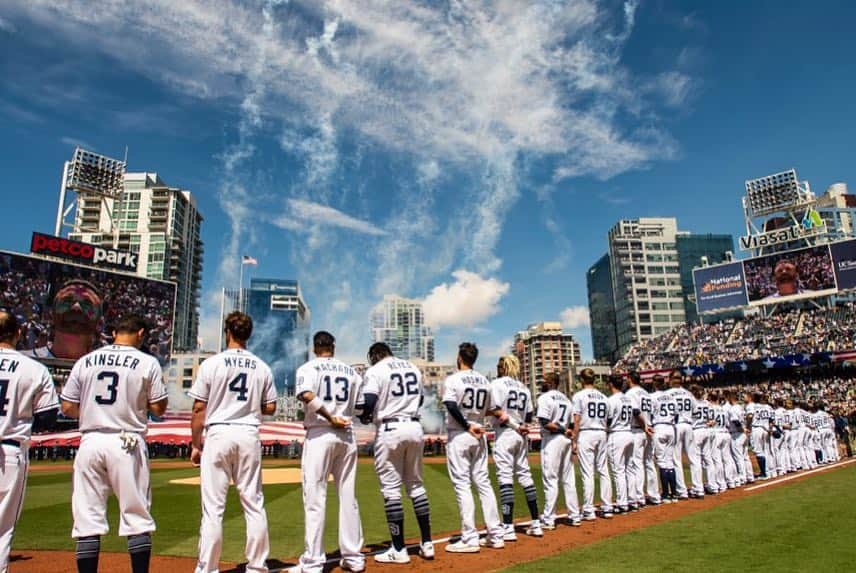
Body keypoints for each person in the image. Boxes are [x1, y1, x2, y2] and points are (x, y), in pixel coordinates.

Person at [60, 314, 168, 573]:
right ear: (141, 333)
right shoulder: (147, 362)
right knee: (137, 517)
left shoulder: (86, 361)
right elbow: (159, 408)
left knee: (87, 519)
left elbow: (67, 406)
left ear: (114, 332)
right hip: (126, 440)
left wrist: (92, 413)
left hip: (91, 439)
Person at [189, 312, 277, 573]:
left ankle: (208, 568)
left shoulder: (212, 364)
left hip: (218, 433)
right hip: (248, 433)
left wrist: (196, 444)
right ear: (248, 334)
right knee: (253, 503)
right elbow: (270, 406)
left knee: (213, 508)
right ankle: (258, 566)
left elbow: (197, 409)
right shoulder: (261, 366)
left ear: (227, 331)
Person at [290, 331, 364, 573]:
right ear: (333, 346)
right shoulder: (351, 372)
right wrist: (340, 414)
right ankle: (353, 557)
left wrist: (330, 416)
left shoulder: (308, 367)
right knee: (348, 496)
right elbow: (361, 407)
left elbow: (307, 395)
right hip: (347, 435)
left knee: (315, 498)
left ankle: (313, 562)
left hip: (321, 432)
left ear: (315, 348)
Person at [358, 342, 434, 564]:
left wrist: (363, 416)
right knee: (416, 486)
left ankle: (398, 549)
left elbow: (369, 402)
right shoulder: (412, 367)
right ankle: (427, 543)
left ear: (374, 355)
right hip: (414, 426)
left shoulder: (376, 370)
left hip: (390, 429)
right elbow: (420, 399)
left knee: (391, 489)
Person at [0, 311, 59, 572]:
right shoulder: (34, 368)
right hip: (9, 449)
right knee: (2, 530)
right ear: (19, 333)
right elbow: (47, 418)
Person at [442, 342, 504, 553]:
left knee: (462, 485)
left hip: (461, 433)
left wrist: (467, 424)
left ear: (460, 357)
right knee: (484, 484)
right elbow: (491, 409)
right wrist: (474, 420)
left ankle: (469, 537)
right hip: (479, 433)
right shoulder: (485, 381)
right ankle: (495, 534)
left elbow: (451, 405)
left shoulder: (453, 379)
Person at [488, 355, 541, 539]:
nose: (497, 368)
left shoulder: (498, 384)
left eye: (498, 365)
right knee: (525, 476)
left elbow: (494, 409)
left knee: (505, 478)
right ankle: (536, 523)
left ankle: (508, 526)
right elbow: (529, 415)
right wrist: (519, 425)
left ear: (504, 367)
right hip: (520, 433)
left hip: (506, 433)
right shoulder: (524, 388)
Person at [536, 372, 580, 529]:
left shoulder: (545, 398)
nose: (542, 383)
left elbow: (545, 422)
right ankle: (574, 516)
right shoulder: (566, 400)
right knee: (568, 479)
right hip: (566, 440)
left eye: (544, 381)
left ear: (550, 383)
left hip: (553, 439)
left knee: (551, 479)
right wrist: (570, 437)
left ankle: (548, 518)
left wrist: (561, 430)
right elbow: (572, 424)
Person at [571, 368, 614, 520]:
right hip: (602, 432)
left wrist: (574, 440)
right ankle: (607, 506)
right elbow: (609, 419)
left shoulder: (579, 396)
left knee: (587, 471)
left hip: (586, 432)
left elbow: (576, 420)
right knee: (603, 470)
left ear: (582, 380)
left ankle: (589, 510)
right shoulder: (604, 397)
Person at [25, 279, 103, 361]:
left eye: (87, 303)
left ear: (99, 322)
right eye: (67, 301)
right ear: (52, 315)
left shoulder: (106, 369)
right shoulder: (23, 361)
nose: (76, 307)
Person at [606, 375, 650, 513]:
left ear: (611, 384)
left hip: (616, 434)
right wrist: (645, 426)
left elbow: (607, 421)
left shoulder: (611, 400)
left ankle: (622, 503)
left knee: (618, 470)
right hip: (629, 433)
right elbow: (637, 413)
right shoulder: (628, 398)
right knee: (630, 469)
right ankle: (633, 501)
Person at [666, 371, 703, 499]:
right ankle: (699, 489)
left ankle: (682, 491)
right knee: (694, 458)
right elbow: (696, 412)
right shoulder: (689, 394)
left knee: (676, 459)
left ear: (671, 379)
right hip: (688, 425)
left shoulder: (668, 394)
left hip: (676, 425)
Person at [625, 372, 659, 506]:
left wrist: (644, 425)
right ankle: (654, 495)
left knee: (637, 463)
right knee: (649, 463)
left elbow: (635, 412)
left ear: (629, 379)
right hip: (650, 429)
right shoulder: (647, 394)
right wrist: (648, 425)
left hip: (638, 430)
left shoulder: (630, 393)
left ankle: (639, 497)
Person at [649, 375, 678, 502]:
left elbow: (649, 414)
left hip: (659, 427)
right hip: (671, 427)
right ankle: (674, 493)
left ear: (655, 384)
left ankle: (666, 494)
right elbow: (676, 415)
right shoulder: (671, 397)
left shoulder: (652, 396)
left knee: (661, 461)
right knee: (670, 461)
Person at [689, 385, 716, 494]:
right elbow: (713, 420)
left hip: (696, 431)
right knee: (708, 459)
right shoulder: (707, 403)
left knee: (696, 460)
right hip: (706, 430)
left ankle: (698, 488)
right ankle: (712, 486)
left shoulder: (692, 402)